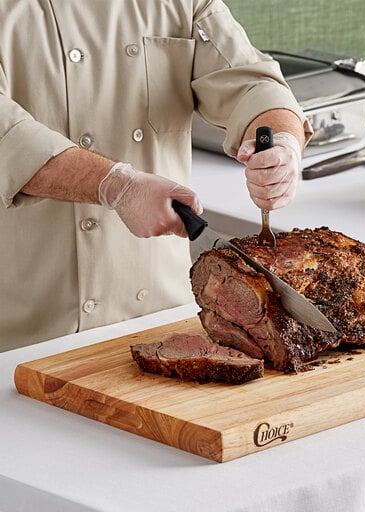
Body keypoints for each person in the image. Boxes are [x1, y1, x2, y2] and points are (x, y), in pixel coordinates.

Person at [0, 0, 311, 352]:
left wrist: (282, 141)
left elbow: (250, 82)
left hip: (165, 318)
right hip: (26, 335)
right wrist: (116, 185)